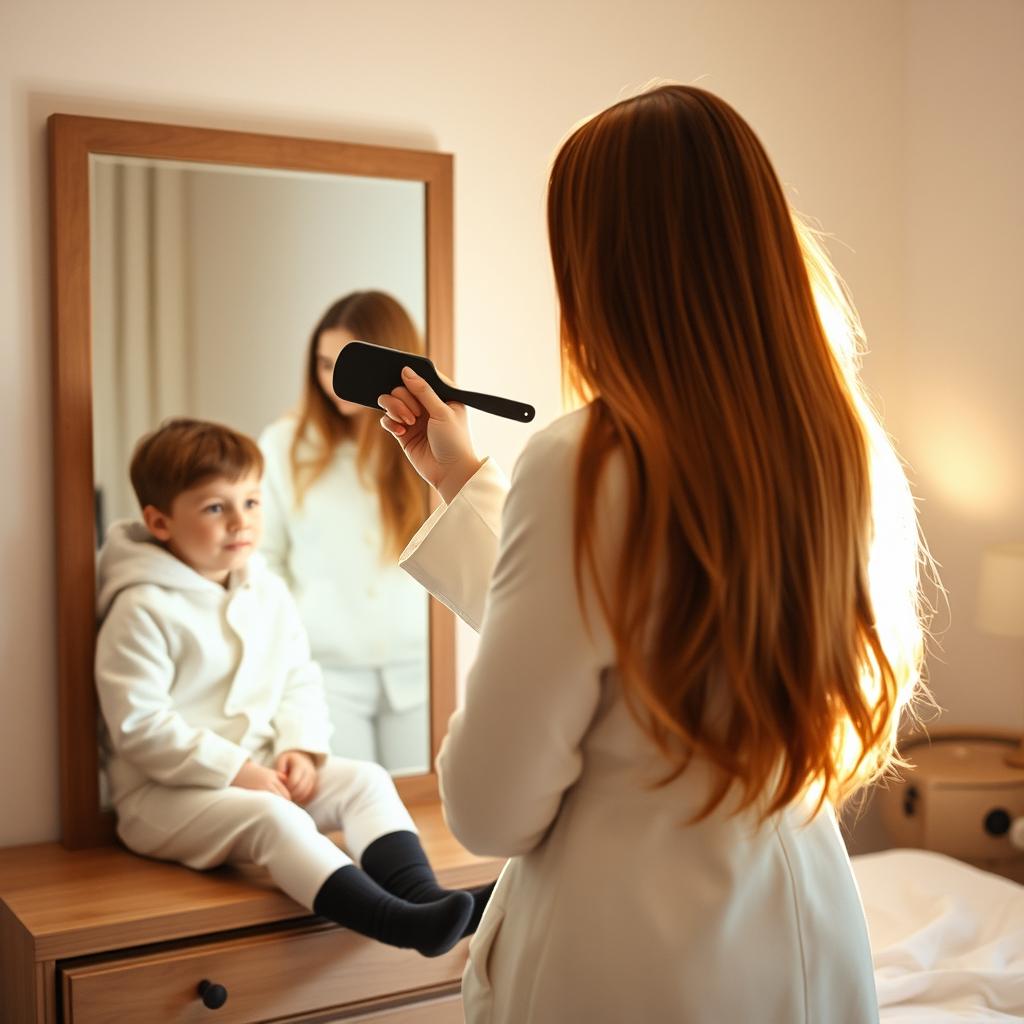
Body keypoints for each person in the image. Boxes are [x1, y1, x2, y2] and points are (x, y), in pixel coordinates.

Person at [376, 84, 927, 1021]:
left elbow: (492, 807)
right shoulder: (845, 449)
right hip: (799, 938)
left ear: (601, 266)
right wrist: (469, 490)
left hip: (633, 957)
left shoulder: (588, 459)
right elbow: (653, 638)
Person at [94, 418, 492, 957]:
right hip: (164, 797)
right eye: (216, 508)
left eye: (253, 503)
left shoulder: (266, 589)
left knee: (367, 780)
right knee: (273, 817)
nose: (241, 522)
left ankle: (424, 900)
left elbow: (297, 677)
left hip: (260, 765)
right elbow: (140, 726)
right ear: (159, 522)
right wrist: (238, 772)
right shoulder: (140, 607)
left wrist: (299, 747)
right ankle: (399, 923)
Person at [259, 291, 429, 773]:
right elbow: (262, 560)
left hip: (421, 671)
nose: (332, 381)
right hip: (326, 676)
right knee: (351, 816)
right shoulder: (283, 446)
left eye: (346, 365)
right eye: (322, 363)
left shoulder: (427, 447)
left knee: (428, 818)